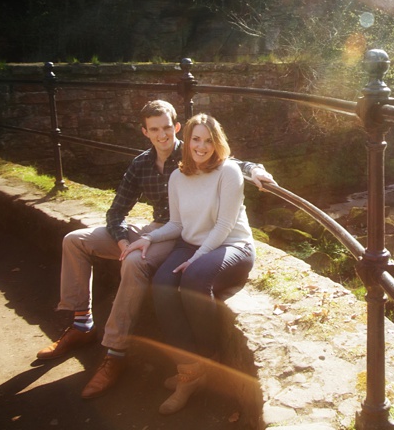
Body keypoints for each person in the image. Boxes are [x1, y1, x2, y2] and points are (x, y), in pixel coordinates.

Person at [35, 100, 273, 400]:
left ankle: (116, 352)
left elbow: (231, 164)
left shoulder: (192, 153)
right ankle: (82, 323)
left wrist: (257, 170)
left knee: (140, 264)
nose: (162, 136)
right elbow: (117, 212)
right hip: (162, 229)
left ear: (176, 129)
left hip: (184, 238)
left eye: (166, 128)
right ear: (145, 132)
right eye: (154, 130)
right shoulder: (147, 164)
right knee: (75, 240)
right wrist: (123, 240)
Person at [121, 113, 256, 415]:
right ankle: (191, 370)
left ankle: (209, 360)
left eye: (209, 140)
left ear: (216, 142)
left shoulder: (229, 171)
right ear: (189, 141)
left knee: (193, 279)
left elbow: (224, 225)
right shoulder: (178, 177)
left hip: (232, 245)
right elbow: (177, 224)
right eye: (196, 139)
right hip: (191, 244)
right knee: (163, 284)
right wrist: (150, 239)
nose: (202, 146)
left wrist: (197, 257)